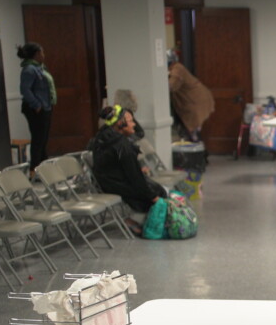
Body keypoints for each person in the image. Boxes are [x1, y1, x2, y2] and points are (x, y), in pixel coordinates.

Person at [89, 104, 167, 234]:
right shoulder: (123, 146)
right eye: (130, 121)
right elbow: (135, 178)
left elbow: (114, 164)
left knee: (150, 185)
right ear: (120, 123)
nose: (134, 124)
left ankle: (131, 220)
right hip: (115, 184)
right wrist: (154, 197)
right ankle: (150, 224)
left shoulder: (103, 135)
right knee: (158, 192)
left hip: (104, 181)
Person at [18, 42, 54, 174]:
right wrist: (36, 105)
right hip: (35, 109)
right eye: (42, 52)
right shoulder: (29, 70)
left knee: (43, 140)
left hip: (46, 107)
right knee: (38, 140)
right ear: (36, 54)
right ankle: (34, 170)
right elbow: (25, 90)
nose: (44, 55)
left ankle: (45, 169)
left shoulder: (40, 68)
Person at [167, 50, 215, 142]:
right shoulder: (174, 69)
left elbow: (171, 86)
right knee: (191, 132)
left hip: (195, 102)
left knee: (193, 132)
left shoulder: (177, 68)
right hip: (192, 102)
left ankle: (198, 153)